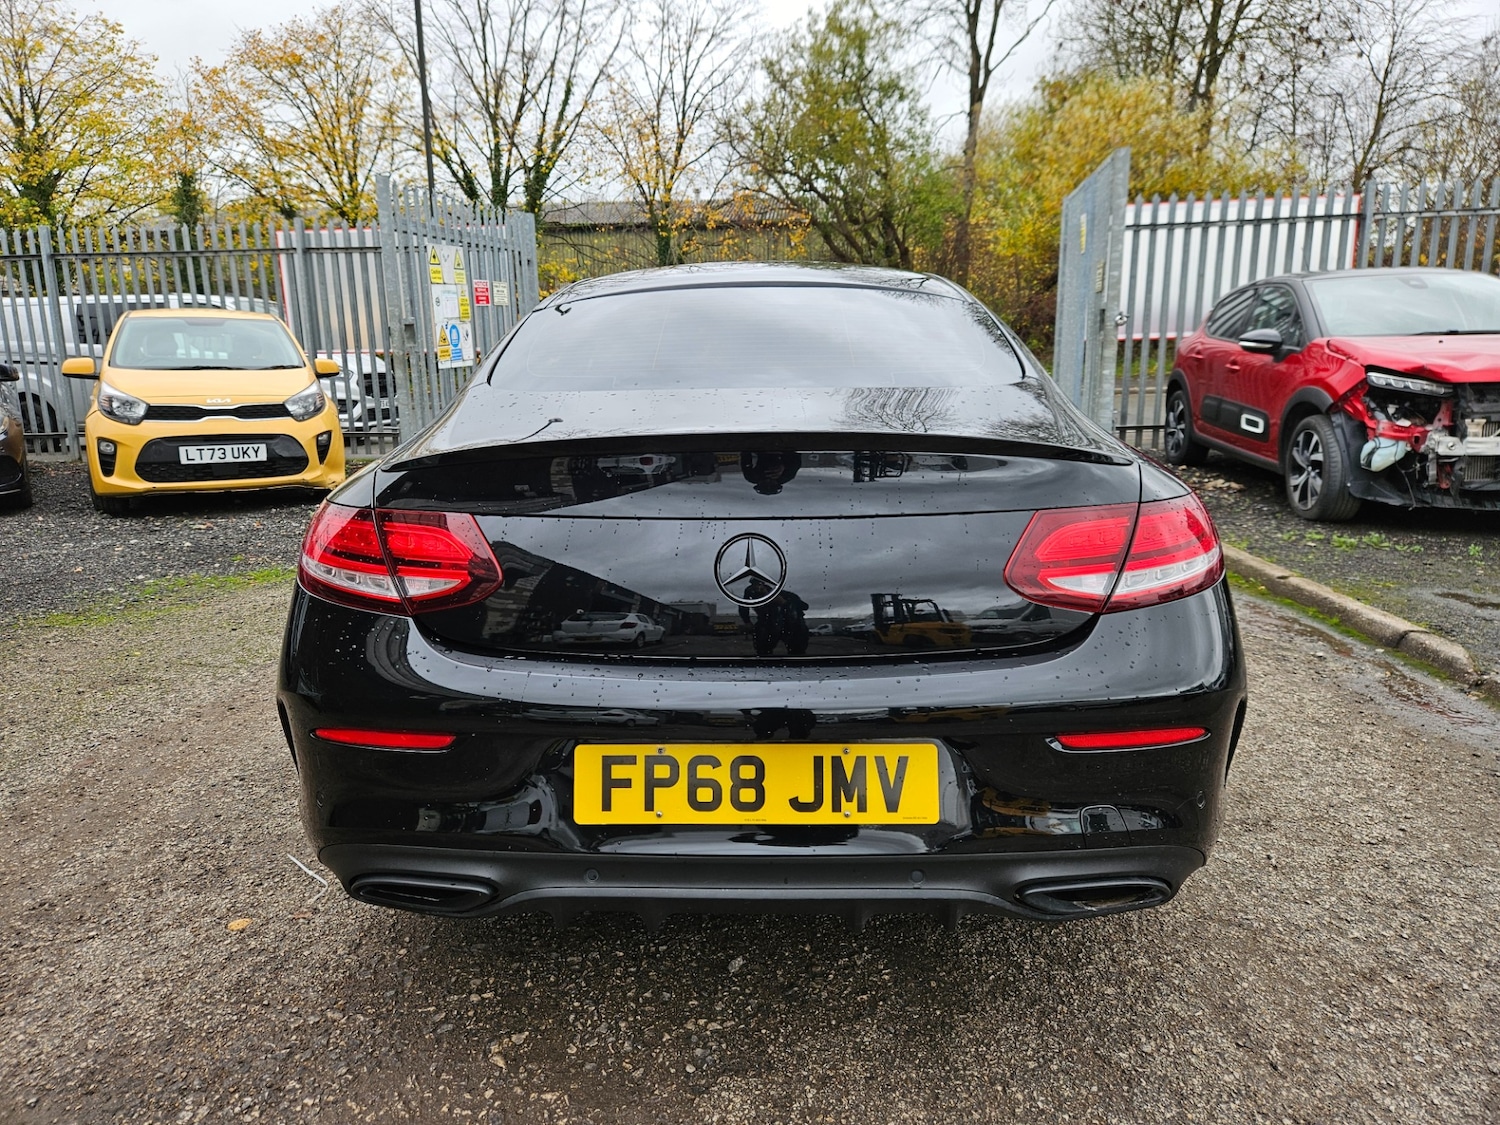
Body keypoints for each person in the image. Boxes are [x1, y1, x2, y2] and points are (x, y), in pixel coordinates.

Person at [738, 579, 810, 656]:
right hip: (768, 625)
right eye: (755, 586)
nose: (758, 589)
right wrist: (747, 621)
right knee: (763, 650)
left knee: (797, 650)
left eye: (760, 586)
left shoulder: (786, 595)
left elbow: (804, 606)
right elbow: (743, 606)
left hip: (790, 625)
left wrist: (784, 603)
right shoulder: (751, 594)